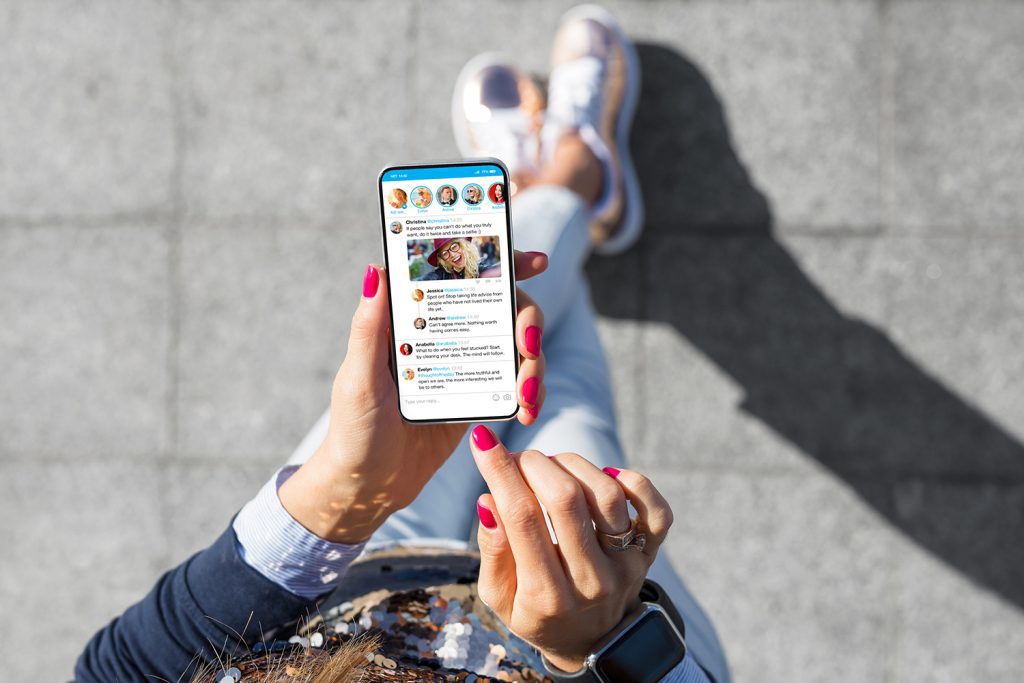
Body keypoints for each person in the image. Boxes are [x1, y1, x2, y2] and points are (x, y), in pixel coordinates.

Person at [75, 6, 730, 683]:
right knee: (574, 424)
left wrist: (345, 492)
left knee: (518, 334)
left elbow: (118, 670)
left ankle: (559, 184)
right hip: (569, 618)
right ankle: (568, 178)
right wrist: (595, 645)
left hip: (354, 568)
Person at [417, 236, 483, 280]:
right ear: (442, 259)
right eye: (445, 253)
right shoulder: (442, 275)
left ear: (462, 245)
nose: (452, 255)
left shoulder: (481, 270)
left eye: (454, 247)